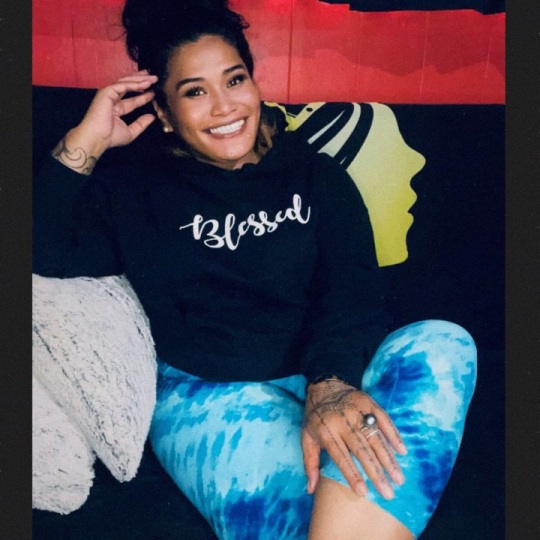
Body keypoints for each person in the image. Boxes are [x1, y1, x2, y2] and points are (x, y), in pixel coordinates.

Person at [33, 0, 477, 538]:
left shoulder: (316, 175)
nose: (225, 107)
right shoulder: (134, 189)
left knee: (445, 342)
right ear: (166, 113)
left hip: (331, 375)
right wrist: (88, 140)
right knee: (319, 522)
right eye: (194, 92)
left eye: (234, 79)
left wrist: (330, 386)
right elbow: (42, 250)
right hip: (211, 394)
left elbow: (355, 292)